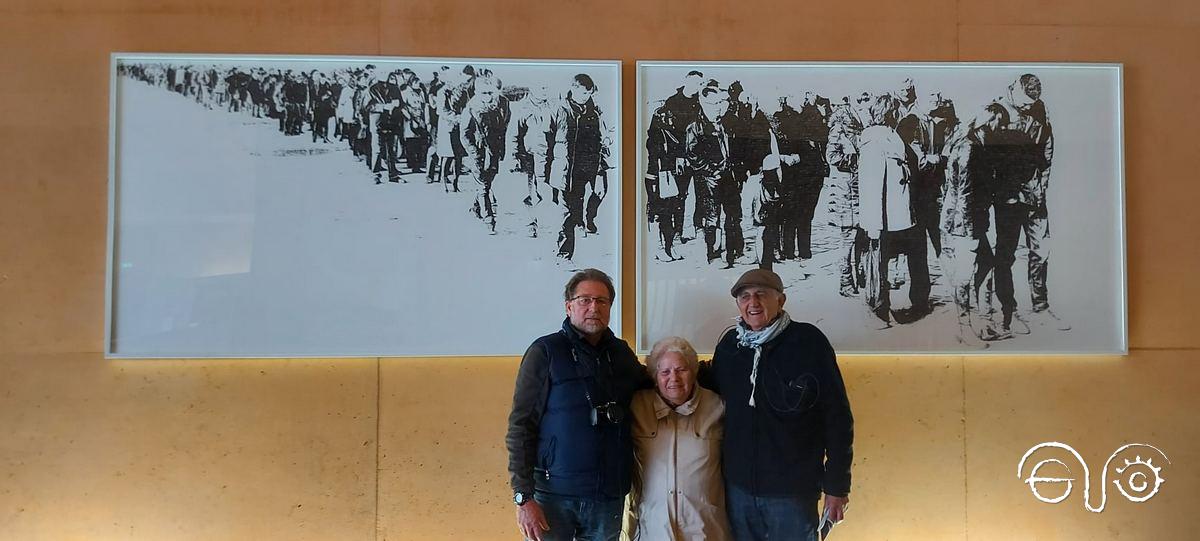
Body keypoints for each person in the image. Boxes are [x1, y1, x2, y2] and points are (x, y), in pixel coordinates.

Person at [703, 269, 853, 541]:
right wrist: (664, 372)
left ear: (781, 301)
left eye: (761, 294)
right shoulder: (730, 346)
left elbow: (838, 418)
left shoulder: (809, 343)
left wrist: (837, 487)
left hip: (792, 495)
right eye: (745, 297)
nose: (753, 303)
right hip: (738, 492)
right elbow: (702, 385)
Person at [506, 269, 648, 541]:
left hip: (608, 496)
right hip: (552, 496)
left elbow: (656, 384)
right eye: (585, 300)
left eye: (602, 301)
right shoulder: (545, 352)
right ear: (569, 306)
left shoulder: (621, 354)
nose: (594, 307)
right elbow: (520, 427)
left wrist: (695, 372)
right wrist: (523, 497)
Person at [626, 336, 732, 541]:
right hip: (653, 530)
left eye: (681, 370)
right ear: (655, 377)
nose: (673, 378)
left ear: (693, 373)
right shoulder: (636, 406)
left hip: (705, 530)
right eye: (665, 372)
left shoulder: (718, 406)